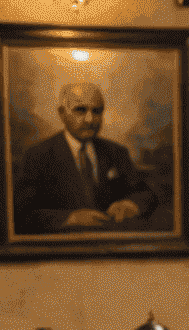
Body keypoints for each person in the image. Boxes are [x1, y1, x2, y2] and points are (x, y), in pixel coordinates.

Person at [13, 81, 159, 234]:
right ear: (62, 113)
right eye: (80, 110)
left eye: (97, 111)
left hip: (111, 245)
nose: (90, 119)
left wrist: (130, 204)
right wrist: (69, 218)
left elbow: (146, 194)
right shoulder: (38, 155)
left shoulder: (116, 152)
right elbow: (21, 214)